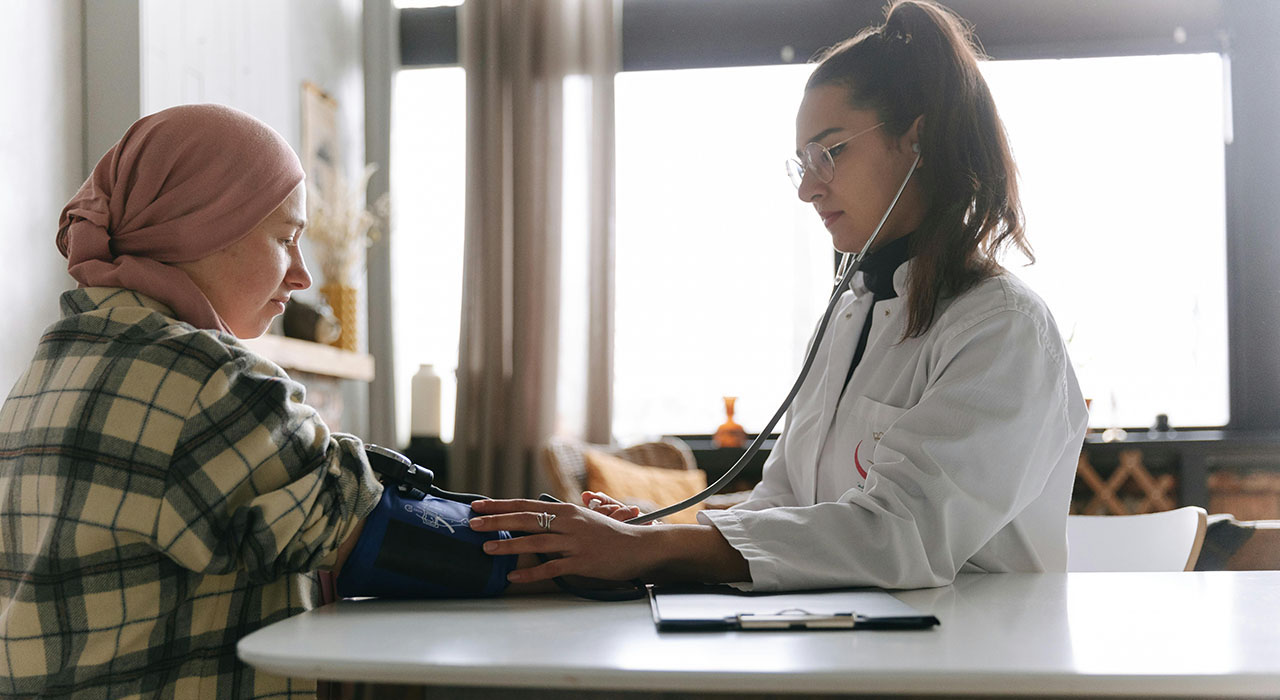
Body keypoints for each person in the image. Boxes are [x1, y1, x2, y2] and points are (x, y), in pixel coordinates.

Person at [471, 0, 1090, 592]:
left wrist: (652, 549)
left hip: (972, 666)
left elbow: (903, 534)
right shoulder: (851, 314)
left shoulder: (1002, 329)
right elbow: (786, 503)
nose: (809, 190)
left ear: (916, 140)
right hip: (853, 648)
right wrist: (652, 526)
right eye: (803, 162)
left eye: (831, 151)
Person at [0, 104, 547, 699]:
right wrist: (580, 545)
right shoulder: (201, 378)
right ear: (198, 224)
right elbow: (395, 538)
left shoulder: (57, 359)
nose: (302, 276)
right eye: (286, 239)